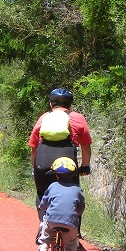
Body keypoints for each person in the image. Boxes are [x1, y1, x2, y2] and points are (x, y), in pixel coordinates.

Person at [28, 88, 92, 217]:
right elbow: (85, 146)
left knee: (42, 193)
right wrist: (85, 166)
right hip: (67, 162)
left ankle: (43, 225)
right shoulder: (77, 118)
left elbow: (34, 148)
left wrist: (35, 168)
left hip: (43, 160)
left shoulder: (44, 118)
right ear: (70, 105)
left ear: (51, 104)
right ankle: (73, 232)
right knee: (73, 194)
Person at [37, 157, 85, 251]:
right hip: (70, 222)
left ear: (56, 175)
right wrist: (77, 213)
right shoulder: (77, 189)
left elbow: (44, 203)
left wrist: (41, 207)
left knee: (46, 223)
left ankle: (44, 243)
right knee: (71, 243)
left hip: (53, 220)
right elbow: (81, 206)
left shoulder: (52, 186)